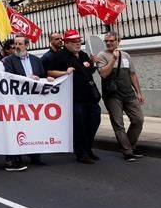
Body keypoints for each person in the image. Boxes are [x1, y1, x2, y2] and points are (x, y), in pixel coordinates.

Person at [48, 30, 102, 164]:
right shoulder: (60, 56)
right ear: (66, 43)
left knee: (94, 121)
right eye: (74, 42)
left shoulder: (83, 55)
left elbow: (87, 70)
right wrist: (64, 73)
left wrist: (92, 62)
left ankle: (88, 148)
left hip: (90, 95)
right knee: (80, 125)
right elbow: (50, 72)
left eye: (79, 41)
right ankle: (81, 153)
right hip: (74, 97)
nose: (78, 44)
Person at [95, 32, 145, 161]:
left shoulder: (126, 55)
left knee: (138, 119)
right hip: (113, 95)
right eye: (106, 41)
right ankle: (127, 151)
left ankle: (129, 144)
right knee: (118, 123)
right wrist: (113, 59)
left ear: (118, 41)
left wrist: (138, 92)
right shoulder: (101, 56)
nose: (108, 43)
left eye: (111, 40)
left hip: (128, 93)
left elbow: (132, 74)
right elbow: (103, 74)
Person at [2, 34, 49, 168]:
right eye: (15, 44)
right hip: (17, 100)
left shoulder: (36, 60)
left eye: (20, 44)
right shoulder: (8, 61)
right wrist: (28, 78)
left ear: (27, 45)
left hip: (34, 101)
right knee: (17, 128)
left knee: (34, 127)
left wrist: (47, 79)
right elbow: (10, 77)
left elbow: (42, 75)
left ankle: (35, 155)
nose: (17, 47)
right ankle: (15, 156)